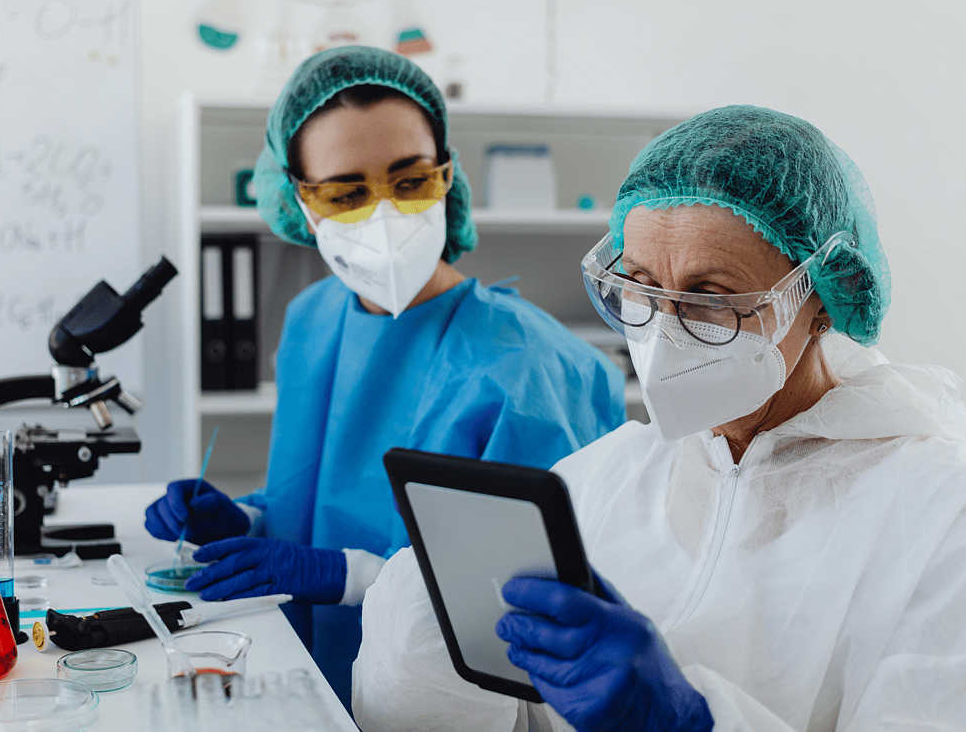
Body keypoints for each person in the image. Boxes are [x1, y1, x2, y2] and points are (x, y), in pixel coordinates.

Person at [352, 104, 966, 731]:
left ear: (822, 301)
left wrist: (689, 722)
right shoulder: (608, 477)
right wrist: (422, 633)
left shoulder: (937, 513)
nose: (665, 335)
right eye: (642, 287)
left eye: (710, 299)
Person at [145, 46, 628, 706]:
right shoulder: (314, 320)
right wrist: (249, 522)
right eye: (345, 194)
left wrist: (347, 576)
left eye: (410, 182)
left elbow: (523, 611)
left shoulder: (533, 370)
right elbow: (328, 496)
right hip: (307, 677)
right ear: (300, 205)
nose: (384, 214)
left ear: (446, 175)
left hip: (456, 709)